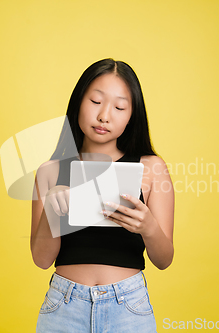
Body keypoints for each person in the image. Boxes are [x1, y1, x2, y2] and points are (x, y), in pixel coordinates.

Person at [30, 58, 175, 332]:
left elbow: (164, 259)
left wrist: (148, 227)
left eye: (119, 107)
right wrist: (53, 212)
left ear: (132, 115)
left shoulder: (151, 168)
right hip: (63, 307)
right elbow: (41, 259)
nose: (104, 115)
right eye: (96, 101)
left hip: (128, 307)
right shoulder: (49, 172)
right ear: (78, 103)